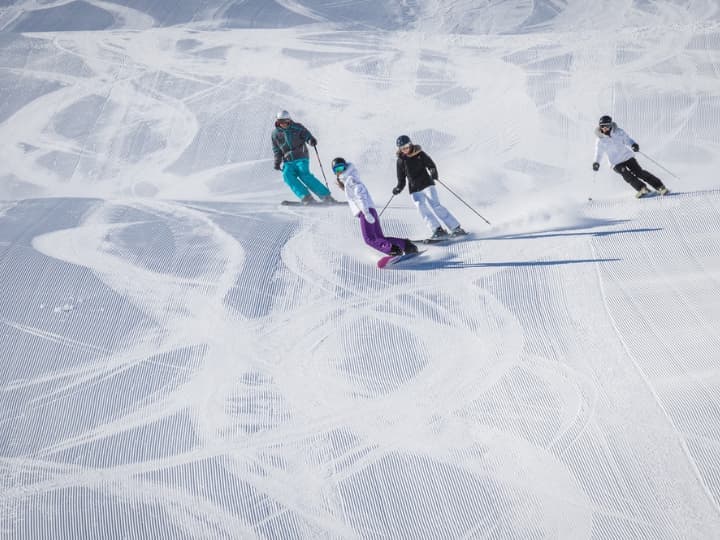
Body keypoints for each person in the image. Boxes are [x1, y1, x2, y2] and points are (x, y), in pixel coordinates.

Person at [332, 157, 418, 257]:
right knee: (379, 237)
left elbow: (360, 195)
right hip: (369, 210)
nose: (339, 171)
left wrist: (366, 212)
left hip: (365, 211)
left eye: (341, 168)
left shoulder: (350, 180)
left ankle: (393, 250)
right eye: (336, 170)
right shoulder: (349, 179)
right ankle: (407, 246)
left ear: (345, 167)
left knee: (369, 239)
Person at [393, 135, 466, 239]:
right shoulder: (400, 161)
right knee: (421, 208)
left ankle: (456, 228)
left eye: (406, 146)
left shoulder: (419, 154)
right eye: (402, 148)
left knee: (435, 205)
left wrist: (433, 172)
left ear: (410, 144)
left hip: (427, 184)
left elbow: (430, 164)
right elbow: (401, 179)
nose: (405, 149)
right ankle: (437, 229)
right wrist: (398, 188)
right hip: (414, 189)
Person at [592, 115, 670, 198]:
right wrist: (596, 162)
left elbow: (627, 140)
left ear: (610, 125)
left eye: (606, 126)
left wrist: (633, 144)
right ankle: (642, 188)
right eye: (602, 126)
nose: (604, 128)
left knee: (639, 172)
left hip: (627, 157)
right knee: (626, 174)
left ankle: (660, 186)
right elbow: (598, 153)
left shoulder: (618, 132)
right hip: (615, 162)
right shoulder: (600, 140)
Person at [271, 110, 336, 204]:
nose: (283, 124)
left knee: (304, 174)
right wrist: (277, 161)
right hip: (288, 160)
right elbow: (276, 149)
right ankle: (306, 197)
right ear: (277, 122)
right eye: (281, 122)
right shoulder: (275, 134)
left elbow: (307, 135)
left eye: (285, 122)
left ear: (289, 120)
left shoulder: (297, 127)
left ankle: (325, 196)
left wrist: (311, 140)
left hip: (301, 156)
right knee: (287, 175)